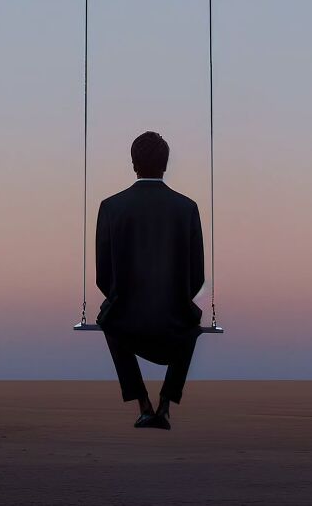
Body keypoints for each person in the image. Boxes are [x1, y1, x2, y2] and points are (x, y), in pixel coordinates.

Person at [95, 130, 205, 430]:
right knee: (192, 324)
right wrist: (176, 299)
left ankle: (143, 403)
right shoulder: (187, 208)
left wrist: (124, 299)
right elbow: (198, 275)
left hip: (128, 321)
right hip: (174, 321)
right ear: (166, 164)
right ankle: (166, 404)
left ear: (133, 164)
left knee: (109, 321)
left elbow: (102, 275)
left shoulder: (111, 207)